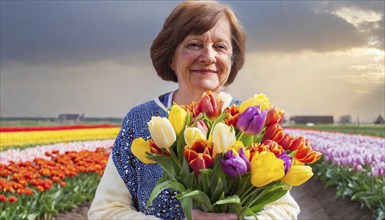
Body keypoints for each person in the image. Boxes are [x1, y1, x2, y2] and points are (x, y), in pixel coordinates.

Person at [88, 1, 300, 219]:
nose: (209, 57)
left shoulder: (250, 120)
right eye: (194, 44)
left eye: (220, 47)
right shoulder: (143, 120)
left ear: (232, 58)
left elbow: (284, 208)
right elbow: (105, 210)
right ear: (171, 57)